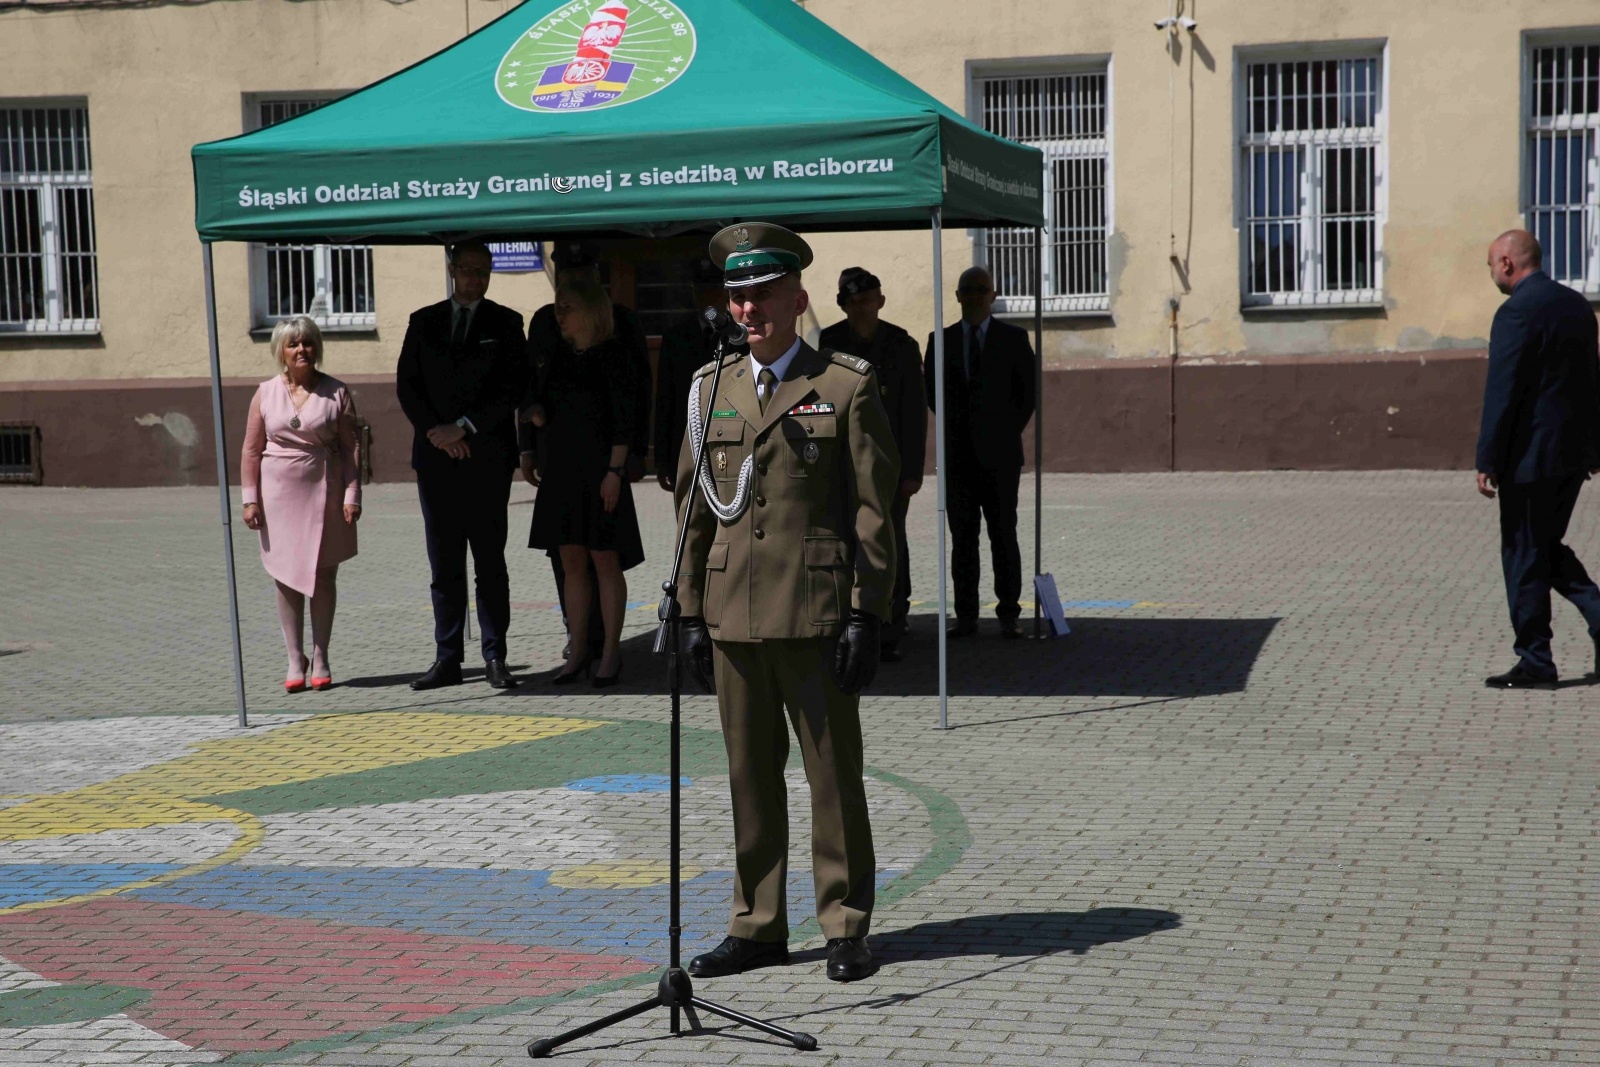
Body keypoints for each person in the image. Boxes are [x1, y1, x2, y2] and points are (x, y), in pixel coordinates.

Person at [676, 223, 899, 983]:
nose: (747, 310)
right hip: (733, 610)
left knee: (832, 774)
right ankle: (758, 923)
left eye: (762, 296)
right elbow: (693, 507)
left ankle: (844, 923)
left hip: (817, 609)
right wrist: (684, 612)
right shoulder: (711, 390)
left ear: (798, 298)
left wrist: (871, 612)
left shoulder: (845, 383)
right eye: (737, 297)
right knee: (749, 774)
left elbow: (874, 510)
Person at [396, 240, 527, 691]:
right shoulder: (424, 321)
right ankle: (447, 658)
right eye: (468, 269)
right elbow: (408, 386)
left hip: (486, 459)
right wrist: (438, 432)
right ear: (452, 270)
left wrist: (465, 428)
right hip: (436, 460)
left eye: (484, 271)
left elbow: (513, 387)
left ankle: (495, 657)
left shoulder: (507, 323)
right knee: (444, 564)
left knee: (490, 561)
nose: (476, 278)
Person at [1475, 228, 1600, 689]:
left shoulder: (1515, 313)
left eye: (1491, 264)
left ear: (1507, 262)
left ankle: (1535, 661)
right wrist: (1593, 447)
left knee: (1524, 556)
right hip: (1571, 458)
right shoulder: (1576, 307)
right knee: (1544, 548)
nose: (1491, 272)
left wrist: (1487, 457)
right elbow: (1591, 379)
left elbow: (1502, 390)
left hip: (1529, 461)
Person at [523, 240, 651, 658]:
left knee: (604, 560)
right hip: (561, 469)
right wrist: (531, 434)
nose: (560, 312)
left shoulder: (619, 338)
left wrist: (624, 464)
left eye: (570, 305)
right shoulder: (550, 339)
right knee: (570, 562)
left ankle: (610, 651)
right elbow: (532, 393)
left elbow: (632, 406)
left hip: (601, 470)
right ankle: (578, 646)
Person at [240, 316, 361, 692]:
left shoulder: (337, 392)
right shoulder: (264, 392)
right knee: (286, 578)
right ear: (281, 351)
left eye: (307, 343)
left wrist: (352, 493)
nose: (301, 350)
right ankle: (295, 657)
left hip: (326, 492)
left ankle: (321, 654)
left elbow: (351, 448)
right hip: (278, 498)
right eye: (293, 344)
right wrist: (249, 499)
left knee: (323, 575)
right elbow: (251, 450)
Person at [819, 267, 927, 660]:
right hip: (843, 461)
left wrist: (913, 471)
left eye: (869, 299)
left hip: (890, 465)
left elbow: (914, 411)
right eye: (854, 302)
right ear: (843, 306)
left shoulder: (901, 343)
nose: (863, 308)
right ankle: (849, 619)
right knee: (847, 541)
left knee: (890, 540)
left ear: (880, 301)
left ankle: (892, 624)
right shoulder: (830, 342)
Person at [924, 265, 1037, 639]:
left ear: (993, 295)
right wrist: (964, 432)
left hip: (1001, 458)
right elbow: (933, 395)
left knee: (1004, 536)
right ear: (957, 296)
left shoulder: (1014, 339)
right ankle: (967, 616)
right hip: (958, 459)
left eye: (980, 290)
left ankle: (1009, 614)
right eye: (966, 290)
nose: (973, 296)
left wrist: (1000, 433)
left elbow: (1027, 397)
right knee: (963, 540)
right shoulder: (939, 341)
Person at [654, 255, 743, 492]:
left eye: (712, 290)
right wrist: (662, 460)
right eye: (700, 290)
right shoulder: (676, 337)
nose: (706, 297)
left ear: (724, 292)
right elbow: (666, 399)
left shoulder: (739, 336)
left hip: (730, 440)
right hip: (686, 441)